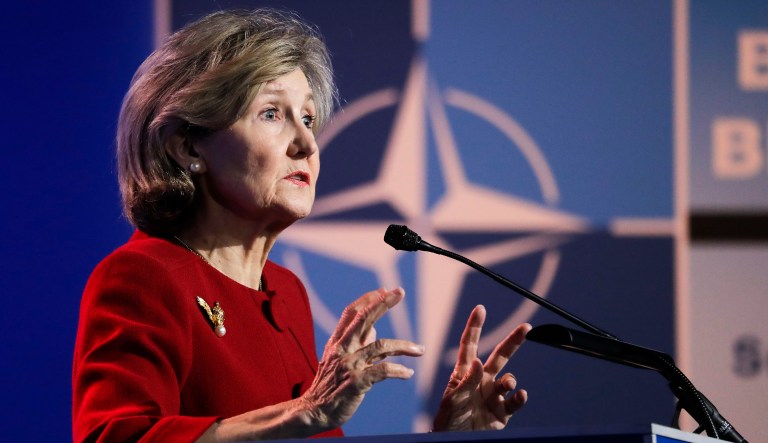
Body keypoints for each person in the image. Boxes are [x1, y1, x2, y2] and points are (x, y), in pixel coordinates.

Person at [72, 9, 532, 443]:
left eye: (308, 118)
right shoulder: (143, 277)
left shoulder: (286, 292)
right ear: (187, 148)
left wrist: (446, 440)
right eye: (272, 114)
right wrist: (306, 411)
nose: (307, 143)